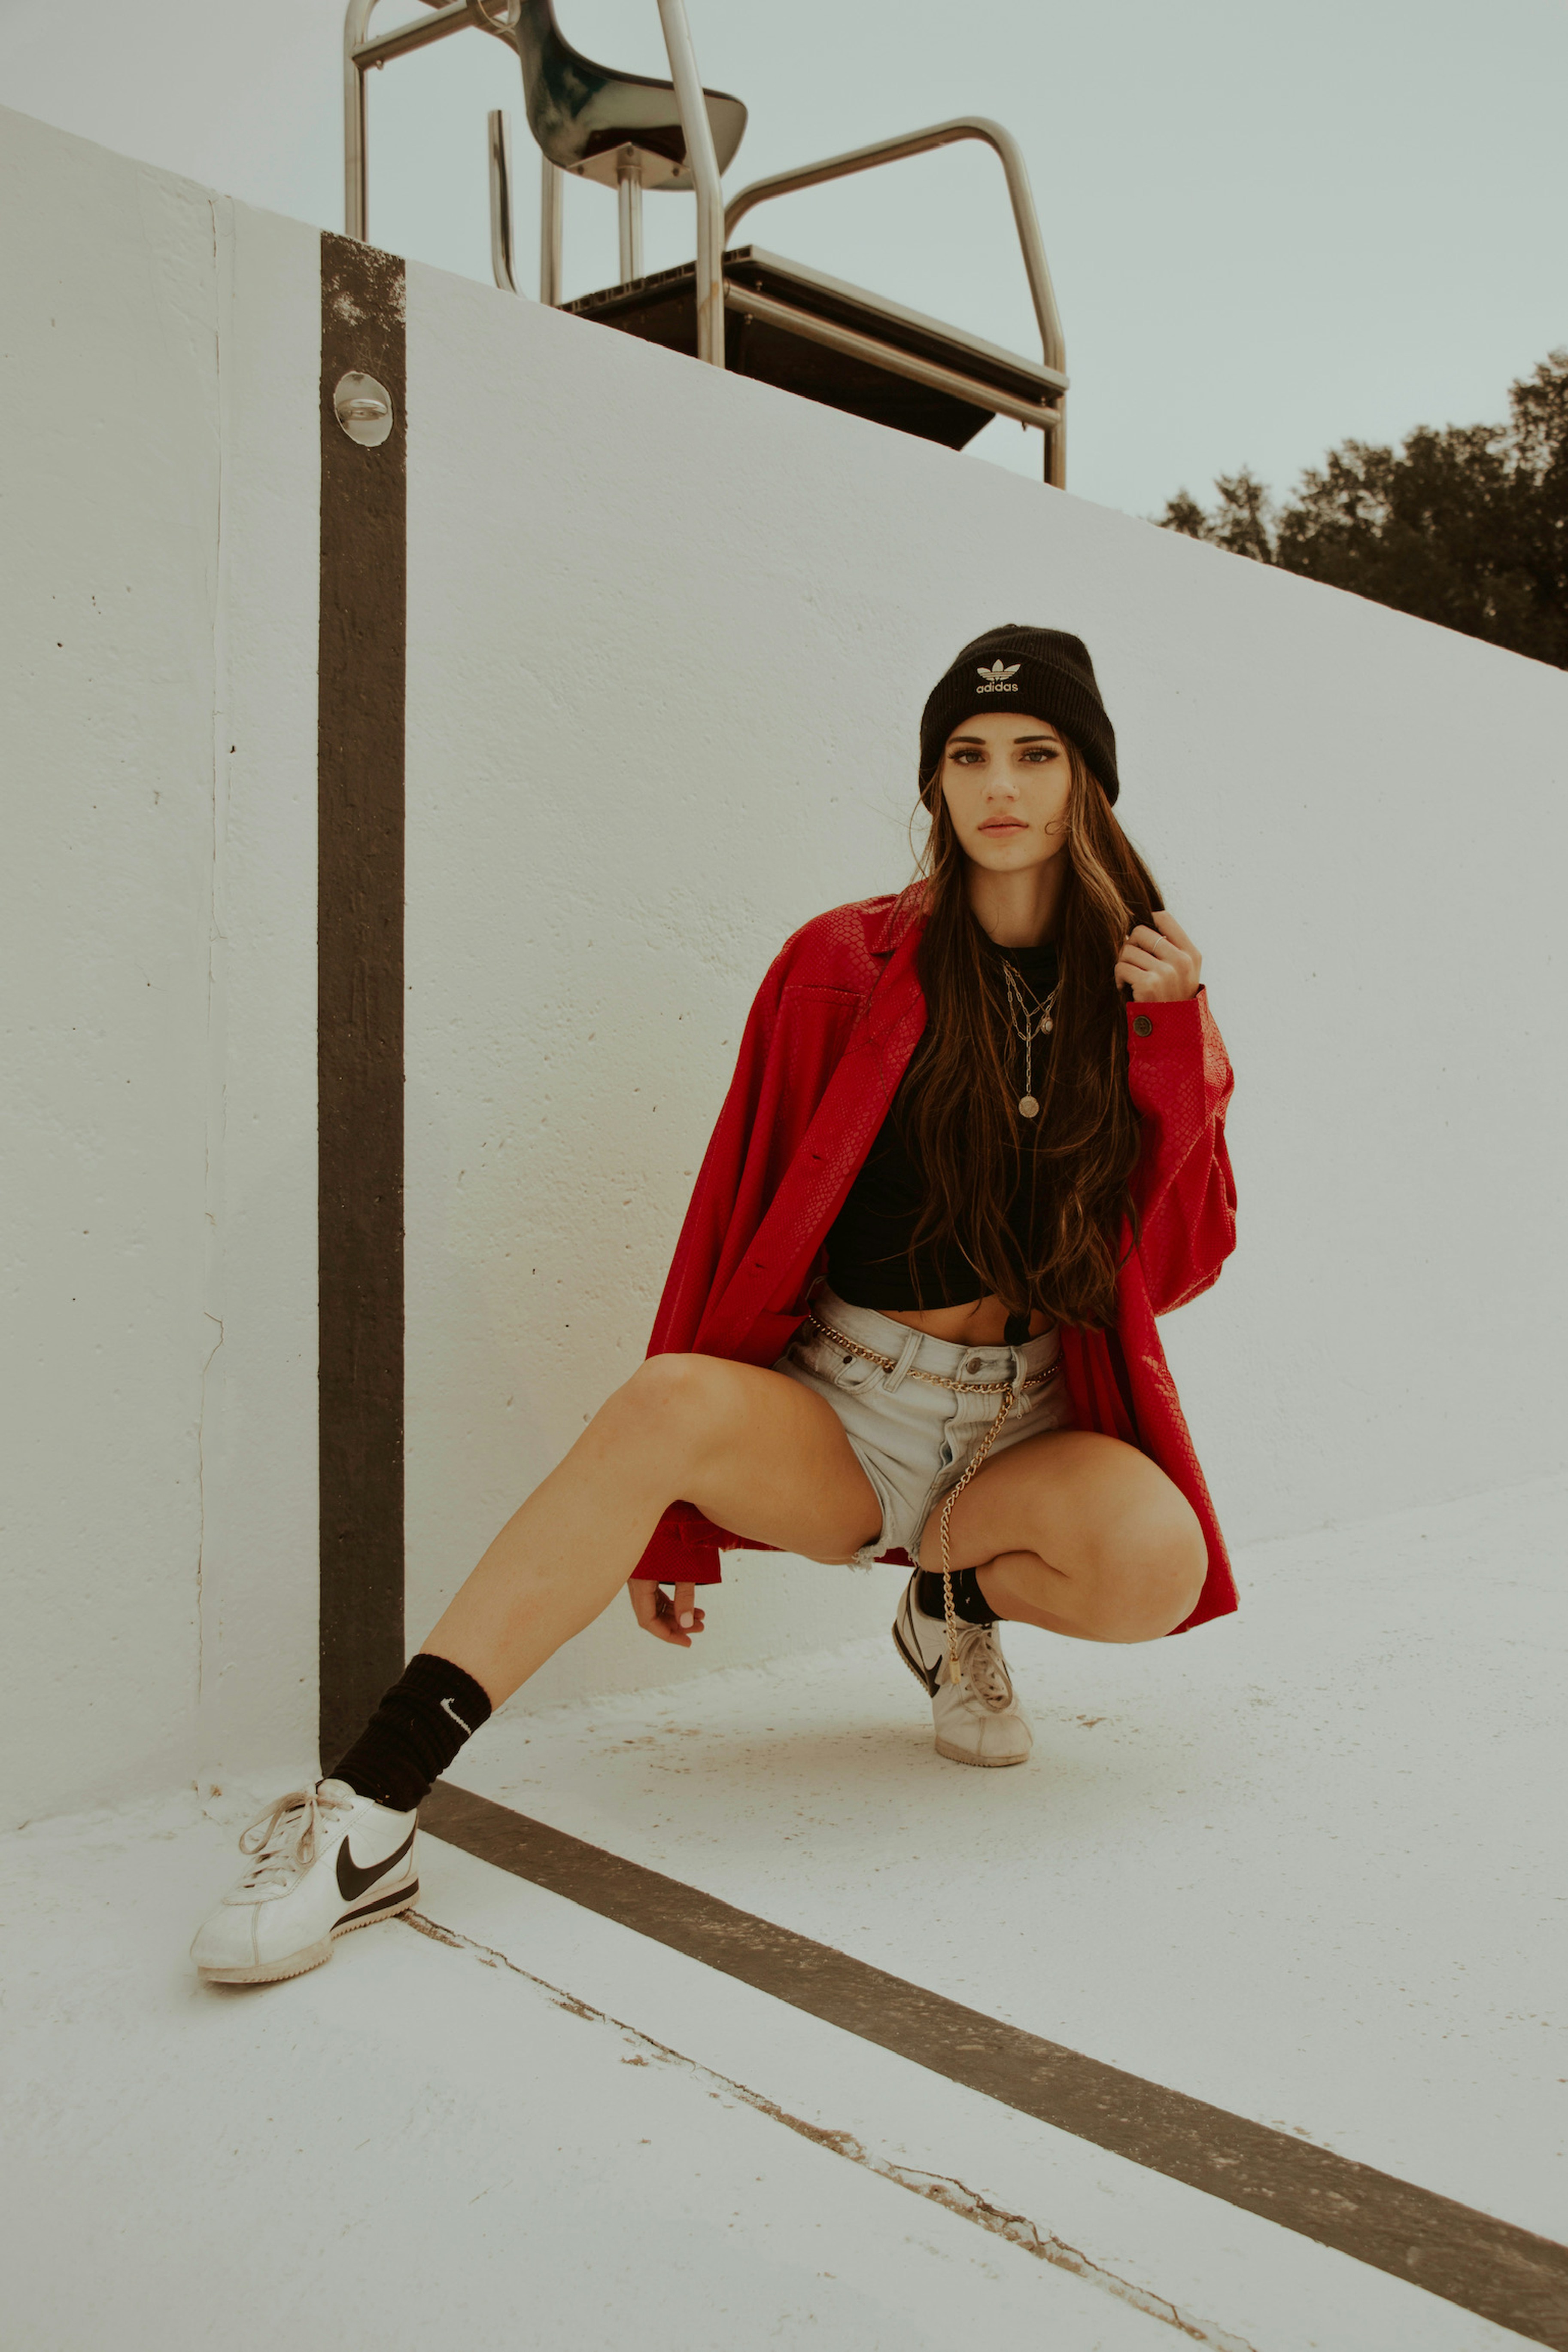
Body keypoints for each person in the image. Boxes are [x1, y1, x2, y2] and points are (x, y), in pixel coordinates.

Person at [191, 624, 1237, 1987]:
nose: (999, 785)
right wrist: (666, 1516)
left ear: (1084, 779)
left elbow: (1176, 1264)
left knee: (1156, 1568)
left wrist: (1168, 1040)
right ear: (933, 780)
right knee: (661, 1406)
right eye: (966, 754)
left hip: (1019, 1434)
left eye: (1035, 754)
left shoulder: (1143, 990)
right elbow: (736, 1213)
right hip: (849, 1411)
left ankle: (947, 1608)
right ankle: (368, 1810)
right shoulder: (843, 964)